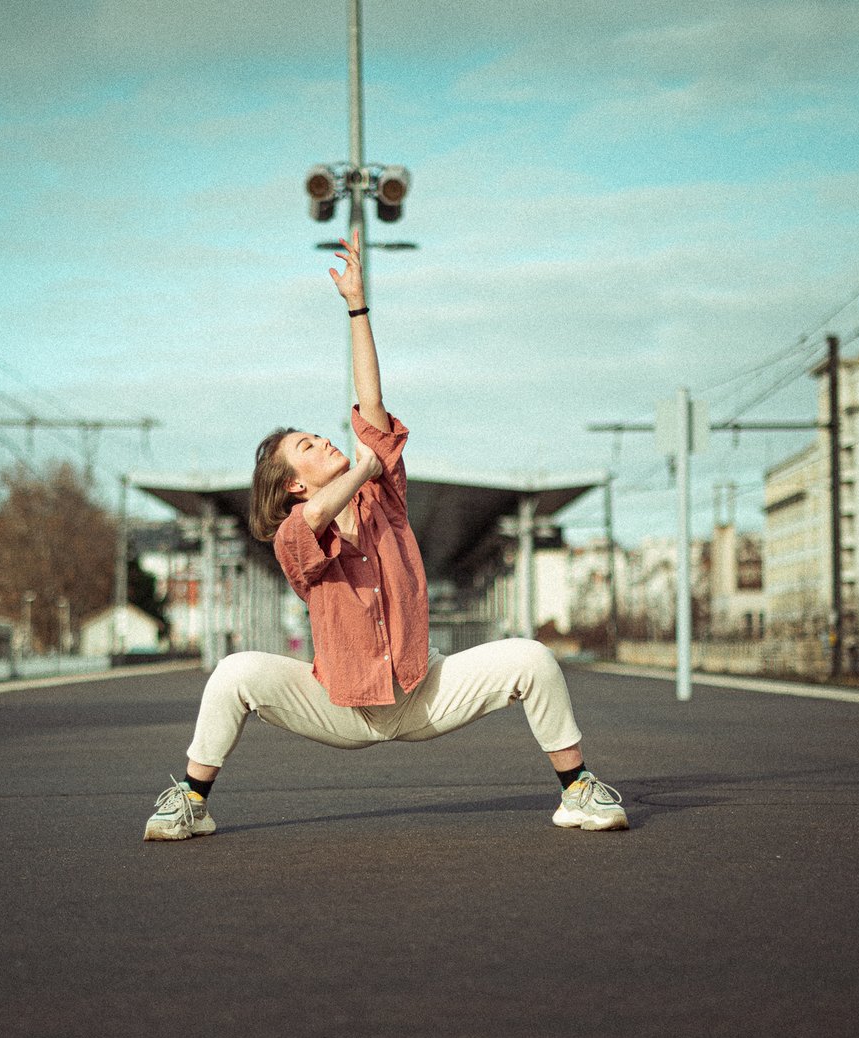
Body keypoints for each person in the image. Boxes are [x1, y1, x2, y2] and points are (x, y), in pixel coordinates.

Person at [143, 230, 628, 841]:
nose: (325, 441)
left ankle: (578, 790)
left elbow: (369, 400)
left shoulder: (383, 498)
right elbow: (314, 523)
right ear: (294, 484)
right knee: (235, 673)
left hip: (421, 692)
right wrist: (364, 467)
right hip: (340, 706)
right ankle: (192, 800)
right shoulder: (295, 533)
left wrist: (357, 308)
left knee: (531, 658)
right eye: (308, 447)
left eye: (320, 435)